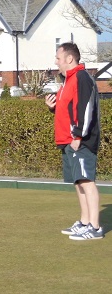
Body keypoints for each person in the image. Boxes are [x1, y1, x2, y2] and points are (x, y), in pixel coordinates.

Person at [45, 42, 103, 240]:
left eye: (58, 58)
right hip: (67, 141)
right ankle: (85, 222)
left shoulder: (81, 77)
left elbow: (86, 109)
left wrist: (78, 136)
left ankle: (94, 228)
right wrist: (52, 107)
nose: (56, 62)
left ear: (69, 59)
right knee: (78, 182)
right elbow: (67, 109)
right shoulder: (67, 80)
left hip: (80, 140)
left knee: (87, 182)